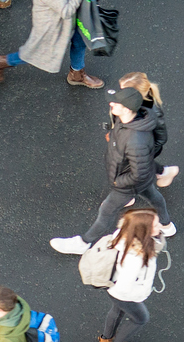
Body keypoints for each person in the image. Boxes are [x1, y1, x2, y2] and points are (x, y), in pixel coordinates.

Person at [49, 86, 174, 254]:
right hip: (136, 177)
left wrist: (118, 182)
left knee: (106, 211)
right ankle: (166, 225)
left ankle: (84, 243)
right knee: (153, 196)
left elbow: (139, 174)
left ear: (127, 109)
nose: (111, 104)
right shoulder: (128, 120)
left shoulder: (136, 141)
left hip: (128, 184)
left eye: (116, 103)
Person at [88, 207, 164, 342]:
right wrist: (137, 296)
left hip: (114, 288)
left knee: (117, 311)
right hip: (124, 294)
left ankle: (106, 340)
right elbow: (125, 286)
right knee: (140, 318)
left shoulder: (125, 237)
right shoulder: (134, 258)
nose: (160, 226)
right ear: (143, 230)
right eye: (156, 225)